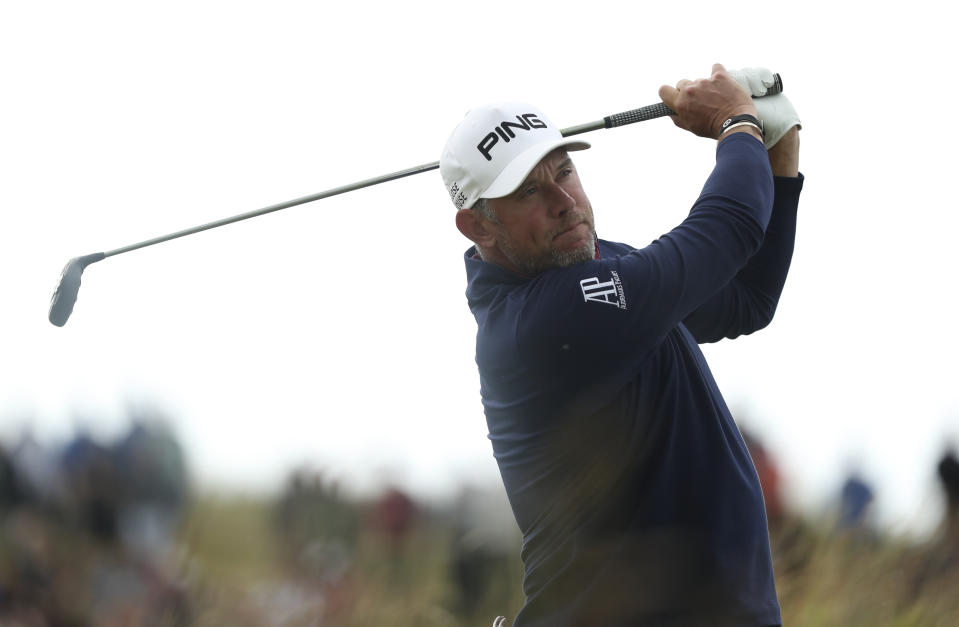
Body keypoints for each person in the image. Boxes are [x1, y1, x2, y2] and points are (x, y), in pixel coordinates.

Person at [440, 64, 802, 627]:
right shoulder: (538, 324)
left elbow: (748, 296)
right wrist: (736, 125)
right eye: (530, 191)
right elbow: (727, 228)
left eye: (565, 170)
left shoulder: (603, 269)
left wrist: (777, 146)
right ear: (478, 228)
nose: (563, 200)